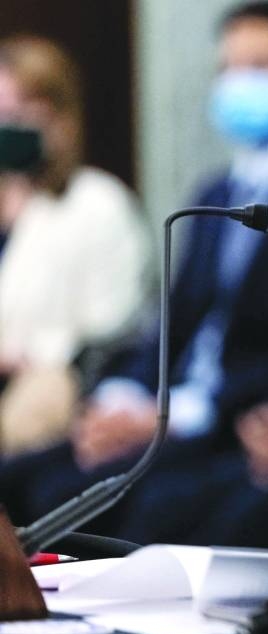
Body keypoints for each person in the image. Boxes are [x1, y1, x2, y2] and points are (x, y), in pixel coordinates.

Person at [0, 2, 268, 548]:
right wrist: (123, 395)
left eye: (261, 65)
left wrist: (170, 417)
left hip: (231, 426)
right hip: (168, 413)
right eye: (228, 68)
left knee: (133, 506)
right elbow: (171, 326)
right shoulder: (214, 195)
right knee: (19, 479)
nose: (239, 82)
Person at [0, 36, 150, 456]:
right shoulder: (11, 202)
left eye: (18, 113)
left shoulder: (97, 202)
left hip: (59, 385)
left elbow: (115, 329)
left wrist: (25, 354)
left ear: (57, 116)